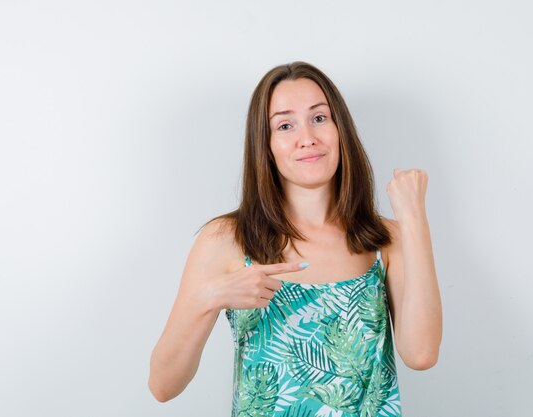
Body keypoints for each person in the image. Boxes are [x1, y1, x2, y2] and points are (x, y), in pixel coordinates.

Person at [148, 61, 442, 416]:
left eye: (319, 118)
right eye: (285, 125)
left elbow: (421, 354)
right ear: (266, 145)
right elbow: (163, 386)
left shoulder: (386, 238)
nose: (308, 138)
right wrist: (208, 298)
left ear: (340, 129)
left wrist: (414, 221)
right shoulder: (226, 240)